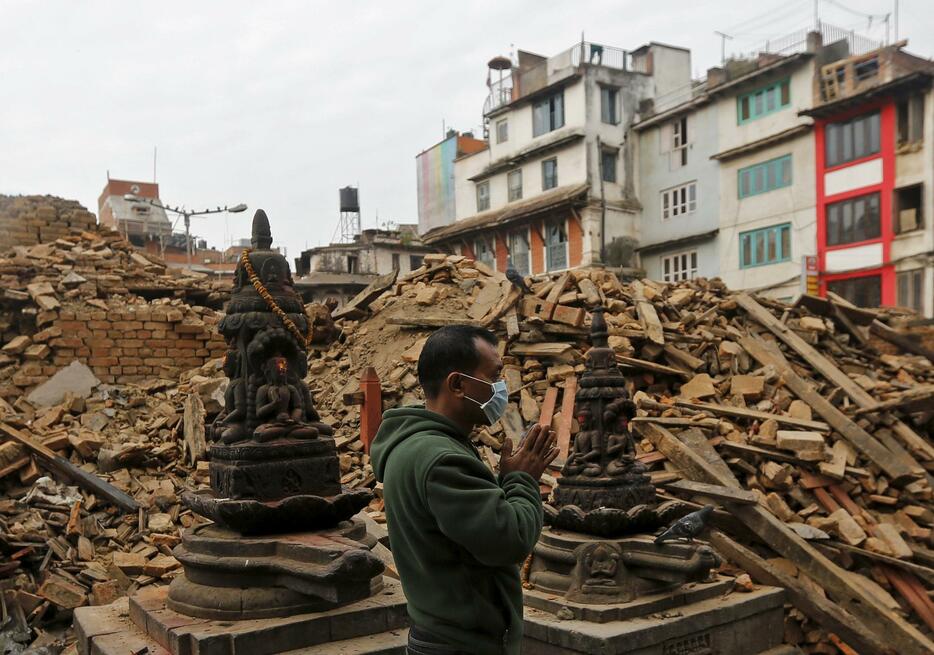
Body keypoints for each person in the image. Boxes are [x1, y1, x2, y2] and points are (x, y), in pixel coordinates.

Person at [371, 325, 558, 655]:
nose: (502, 388)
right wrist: (522, 480)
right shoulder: (442, 460)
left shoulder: (418, 443)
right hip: (461, 644)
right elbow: (509, 540)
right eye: (495, 376)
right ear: (458, 384)